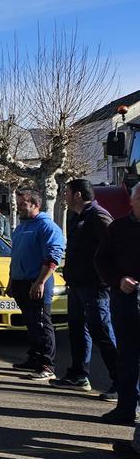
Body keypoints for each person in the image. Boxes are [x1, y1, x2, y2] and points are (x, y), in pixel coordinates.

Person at [51, 179, 118, 401]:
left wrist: (106, 278)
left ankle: (121, 383)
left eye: (67, 192)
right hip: (78, 286)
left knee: (103, 333)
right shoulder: (78, 217)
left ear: (78, 195)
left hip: (95, 287)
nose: (64, 196)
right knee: (78, 330)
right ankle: (78, 375)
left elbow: (114, 248)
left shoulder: (98, 216)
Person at [7, 189, 65, 380]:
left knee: (41, 323)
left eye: (23, 205)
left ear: (35, 204)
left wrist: (40, 282)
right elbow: (15, 256)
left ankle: (47, 365)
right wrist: (11, 280)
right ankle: (34, 358)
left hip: (37, 282)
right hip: (20, 282)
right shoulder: (21, 227)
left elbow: (52, 258)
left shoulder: (47, 227)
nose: (19, 209)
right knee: (31, 323)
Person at [97, 183, 140, 429]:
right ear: (132, 202)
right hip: (125, 300)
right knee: (128, 357)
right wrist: (118, 280)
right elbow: (102, 259)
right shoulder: (119, 227)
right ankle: (126, 408)